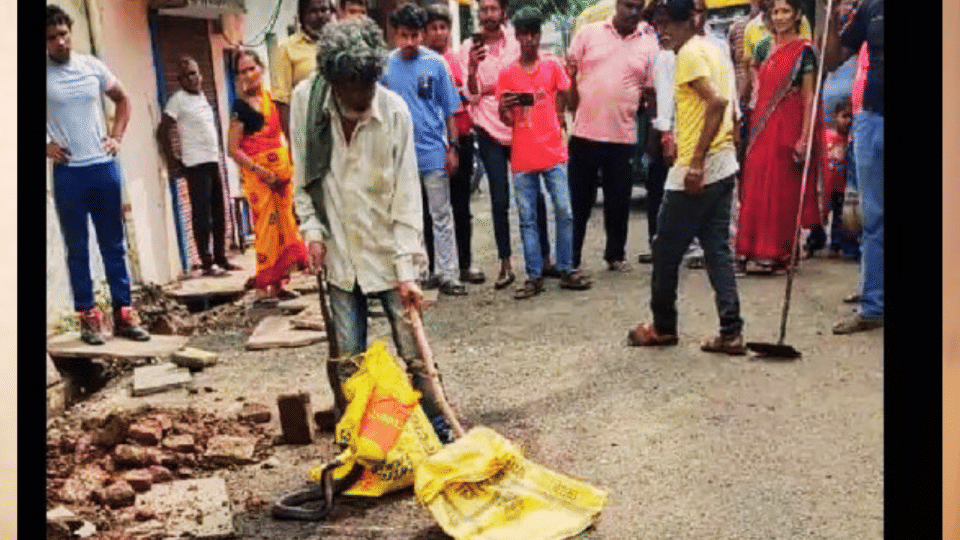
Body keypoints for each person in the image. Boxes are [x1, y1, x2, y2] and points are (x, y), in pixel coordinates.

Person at [290, 17, 455, 441]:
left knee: (414, 353)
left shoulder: (395, 113)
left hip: (387, 251)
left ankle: (440, 428)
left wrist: (407, 270)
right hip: (341, 252)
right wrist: (312, 230)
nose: (361, 98)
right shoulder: (307, 104)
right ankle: (361, 440)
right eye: (351, 89)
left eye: (367, 87)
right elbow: (303, 173)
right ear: (332, 82)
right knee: (348, 360)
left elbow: (406, 199)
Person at [627, 0, 744, 354]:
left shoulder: (690, 53)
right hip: (723, 162)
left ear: (687, 22)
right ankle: (731, 330)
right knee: (716, 249)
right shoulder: (712, 48)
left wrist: (694, 162)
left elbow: (718, 102)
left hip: (701, 166)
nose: (661, 32)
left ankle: (663, 326)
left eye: (667, 25)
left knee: (665, 249)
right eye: (656, 26)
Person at [47, 4, 150, 345]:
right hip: (68, 175)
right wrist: (46, 145)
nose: (59, 42)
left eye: (63, 34)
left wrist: (116, 138)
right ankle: (88, 318)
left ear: (70, 33)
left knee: (113, 245)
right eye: (51, 38)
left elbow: (123, 99)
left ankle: (124, 314)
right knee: (77, 248)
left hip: (103, 169)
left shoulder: (91, 67)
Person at [495, 6, 592, 299]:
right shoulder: (508, 74)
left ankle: (566, 268)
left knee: (565, 211)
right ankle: (534, 274)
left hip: (553, 151)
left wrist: (572, 78)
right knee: (527, 218)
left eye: (533, 33)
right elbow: (505, 119)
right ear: (517, 37)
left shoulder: (551, 67)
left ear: (538, 36)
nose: (529, 40)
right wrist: (504, 108)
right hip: (523, 156)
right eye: (523, 34)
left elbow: (571, 100)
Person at [459, 0, 555, 290]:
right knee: (499, 199)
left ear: (503, 13)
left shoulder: (518, 39)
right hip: (488, 127)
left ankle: (545, 258)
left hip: (521, 127)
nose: (488, 15)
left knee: (534, 196)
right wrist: (474, 68)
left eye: (493, 9)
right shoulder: (468, 47)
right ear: (478, 14)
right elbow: (472, 94)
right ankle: (505, 263)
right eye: (483, 10)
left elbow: (533, 77)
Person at [565, 0, 659, 273]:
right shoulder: (588, 34)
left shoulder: (649, 44)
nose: (633, 12)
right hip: (584, 133)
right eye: (628, 5)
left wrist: (653, 130)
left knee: (618, 201)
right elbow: (568, 75)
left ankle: (615, 255)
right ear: (617, 4)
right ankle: (571, 256)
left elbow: (650, 93)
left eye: (638, 7)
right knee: (578, 201)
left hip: (623, 136)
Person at [381, 3, 467, 296]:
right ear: (394, 35)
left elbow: (451, 110)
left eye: (415, 35)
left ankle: (448, 273)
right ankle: (417, 273)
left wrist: (453, 147)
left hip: (433, 151)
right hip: (398, 156)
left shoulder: (436, 64)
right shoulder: (385, 67)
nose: (410, 42)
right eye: (404, 36)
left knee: (441, 214)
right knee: (408, 218)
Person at [734, 0, 821, 274]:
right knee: (755, 182)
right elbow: (757, 80)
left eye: (785, 11)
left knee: (782, 189)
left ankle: (779, 251)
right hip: (762, 124)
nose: (780, 17)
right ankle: (748, 247)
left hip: (790, 124)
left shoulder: (805, 52)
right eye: (776, 12)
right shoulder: (762, 47)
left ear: (797, 16)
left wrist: (804, 137)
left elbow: (809, 98)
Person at [227, 49, 309, 305]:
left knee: (286, 225)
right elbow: (232, 149)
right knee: (266, 228)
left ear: (261, 69)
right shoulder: (239, 108)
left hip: (282, 175)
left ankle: (282, 282)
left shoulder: (272, 99)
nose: (249, 75)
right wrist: (262, 172)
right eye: (243, 71)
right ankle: (264, 286)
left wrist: (285, 168)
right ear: (238, 77)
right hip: (258, 178)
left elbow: (283, 134)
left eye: (252, 68)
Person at [823, 0, 882, 334]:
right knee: (873, 217)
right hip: (872, 120)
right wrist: (830, 20)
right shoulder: (871, 8)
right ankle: (873, 305)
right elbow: (833, 60)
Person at [158, 56, 239, 277]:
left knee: (219, 212)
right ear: (179, 80)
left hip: (213, 160)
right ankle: (207, 262)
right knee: (202, 215)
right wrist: (173, 161)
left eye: (193, 73)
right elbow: (163, 130)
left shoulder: (202, 97)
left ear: (200, 75)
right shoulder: (177, 100)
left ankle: (221, 258)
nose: (191, 79)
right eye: (185, 76)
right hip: (195, 164)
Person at [423, 4, 486, 285]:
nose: (439, 33)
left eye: (443, 27)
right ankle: (437, 267)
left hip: (460, 136)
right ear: (425, 32)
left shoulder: (458, 59)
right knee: (431, 210)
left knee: (461, 205)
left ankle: (465, 264)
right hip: (429, 145)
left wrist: (471, 70)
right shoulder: (419, 62)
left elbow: (472, 95)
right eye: (433, 28)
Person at [272, 0, 337, 135]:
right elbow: (283, 101)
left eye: (324, 10)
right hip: (308, 129)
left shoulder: (340, 43)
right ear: (302, 17)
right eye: (313, 11)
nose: (320, 15)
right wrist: (292, 141)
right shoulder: (287, 48)